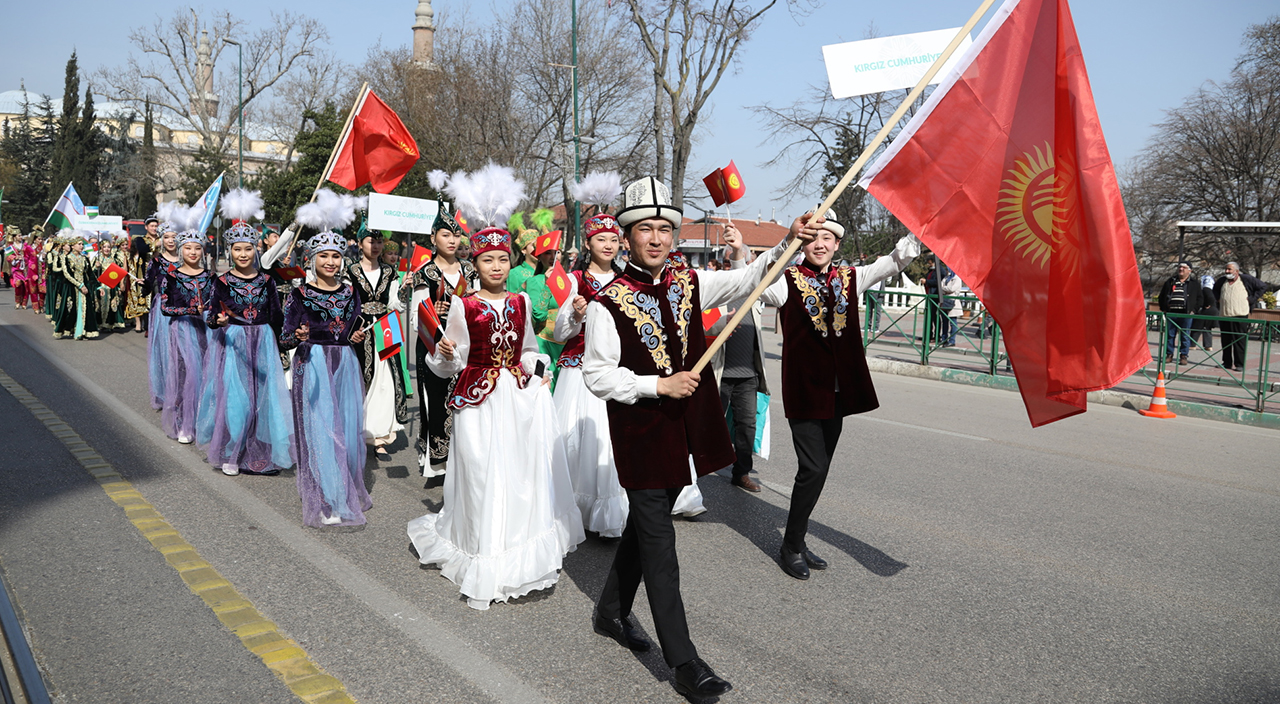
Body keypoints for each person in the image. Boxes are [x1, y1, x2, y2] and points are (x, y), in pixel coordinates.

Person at [583, 176, 813, 699]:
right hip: (640, 434)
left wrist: (789, 242)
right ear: (628, 235)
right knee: (661, 546)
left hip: (678, 432)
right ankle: (686, 664)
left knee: (650, 526)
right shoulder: (607, 302)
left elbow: (748, 281)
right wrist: (655, 384)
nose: (658, 238)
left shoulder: (688, 281)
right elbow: (597, 376)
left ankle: (610, 611)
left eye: (666, 228)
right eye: (647, 229)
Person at [408, 166, 584, 610]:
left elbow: (527, 349)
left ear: (510, 262)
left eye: (503, 259)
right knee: (482, 475)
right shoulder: (463, 306)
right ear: (477, 264)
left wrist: (537, 367)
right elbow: (448, 363)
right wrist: (444, 353)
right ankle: (481, 551)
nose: (497, 266)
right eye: (488, 260)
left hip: (515, 397)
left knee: (516, 474)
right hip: (476, 402)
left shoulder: (523, 301)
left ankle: (512, 548)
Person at [756, 210, 920, 581]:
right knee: (812, 469)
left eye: (827, 237)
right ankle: (790, 546)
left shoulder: (850, 277)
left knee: (820, 469)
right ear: (804, 240)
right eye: (813, 237)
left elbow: (891, 263)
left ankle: (796, 538)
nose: (820, 243)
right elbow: (755, 282)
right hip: (804, 391)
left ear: (837, 243)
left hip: (837, 393)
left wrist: (916, 235)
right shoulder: (788, 281)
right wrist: (741, 254)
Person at [281, 193, 371, 528]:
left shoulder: (350, 293)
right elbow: (285, 336)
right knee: (320, 430)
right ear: (312, 259)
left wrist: (354, 337)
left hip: (344, 363)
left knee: (344, 431)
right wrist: (298, 338)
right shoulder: (300, 294)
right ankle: (323, 497)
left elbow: (348, 331)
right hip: (312, 363)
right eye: (324, 256)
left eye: (336, 255)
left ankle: (342, 489)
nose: (331, 261)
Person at [197, 189, 294, 476]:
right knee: (237, 400)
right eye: (237, 249)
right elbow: (212, 317)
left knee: (264, 399)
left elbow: (277, 316)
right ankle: (232, 451)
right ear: (231, 251)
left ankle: (261, 453)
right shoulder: (222, 281)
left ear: (256, 250)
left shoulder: (267, 281)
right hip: (233, 343)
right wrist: (218, 320)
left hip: (263, 342)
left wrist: (286, 343)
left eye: (248, 249)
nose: (242, 254)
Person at [553, 209, 628, 536]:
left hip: (616, 369)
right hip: (580, 370)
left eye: (614, 239)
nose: (608, 245)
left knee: (611, 442)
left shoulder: (628, 281)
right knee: (575, 439)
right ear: (588, 242)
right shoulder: (574, 280)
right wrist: (575, 314)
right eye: (601, 239)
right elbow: (558, 333)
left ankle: (606, 515)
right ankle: (570, 511)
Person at [403, 202, 475, 479]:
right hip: (434, 348)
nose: (452, 240)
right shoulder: (425, 273)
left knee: (466, 401)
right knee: (435, 402)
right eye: (446, 235)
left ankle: (466, 458)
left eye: (456, 236)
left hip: (466, 346)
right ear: (433, 238)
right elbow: (416, 320)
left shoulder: (470, 271)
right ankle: (440, 462)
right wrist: (434, 311)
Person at [707, 225, 768, 493]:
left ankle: (740, 472)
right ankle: (693, 473)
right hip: (719, 373)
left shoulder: (755, 294)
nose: (749, 267)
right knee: (708, 424)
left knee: (747, 427)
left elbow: (747, 275)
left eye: (750, 261)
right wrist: (723, 323)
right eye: (744, 261)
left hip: (747, 375)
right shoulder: (715, 294)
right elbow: (704, 328)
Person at [346, 224, 408, 461]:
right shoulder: (349, 271)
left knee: (386, 384)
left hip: (385, 329)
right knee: (359, 383)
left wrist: (404, 289)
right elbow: (345, 302)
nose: (376, 246)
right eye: (371, 241)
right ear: (360, 243)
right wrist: (350, 331)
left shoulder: (391, 272)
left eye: (379, 242)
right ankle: (357, 434)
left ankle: (379, 439)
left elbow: (395, 305)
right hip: (359, 331)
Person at [160, 220, 213, 443]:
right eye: (188, 247)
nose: (193, 252)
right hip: (181, 329)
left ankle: (203, 421)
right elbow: (165, 307)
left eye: (197, 247)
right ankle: (184, 421)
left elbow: (216, 303)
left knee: (206, 373)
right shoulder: (171, 277)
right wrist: (191, 309)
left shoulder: (210, 277)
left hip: (205, 331)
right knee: (185, 374)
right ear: (181, 250)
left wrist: (211, 310)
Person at [144, 212, 183, 408]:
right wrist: (144, 283)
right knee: (166, 350)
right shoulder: (156, 262)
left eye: (173, 236)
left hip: (185, 309)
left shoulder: (186, 260)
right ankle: (168, 392)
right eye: (166, 237)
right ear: (161, 239)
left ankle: (183, 390)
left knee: (183, 351)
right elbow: (147, 287)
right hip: (163, 309)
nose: (170, 240)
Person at [1213, 261, 1267, 372]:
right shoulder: (1222, 281)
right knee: (1226, 340)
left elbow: (1262, 287)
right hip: (1225, 315)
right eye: (1226, 269)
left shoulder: (1246, 279)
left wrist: (1252, 299)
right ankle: (1227, 362)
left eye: (1229, 269)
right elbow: (1214, 290)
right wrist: (1218, 299)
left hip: (1240, 315)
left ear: (1236, 271)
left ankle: (1239, 364)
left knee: (1239, 341)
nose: (1227, 271)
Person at [59, 233, 101, 340]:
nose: (81, 246)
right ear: (73, 246)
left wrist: (98, 287)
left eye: (82, 244)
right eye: (79, 244)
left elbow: (90, 274)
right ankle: (71, 329)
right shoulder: (66, 258)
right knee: (71, 309)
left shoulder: (84, 258)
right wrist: (79, 285)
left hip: (85, 286)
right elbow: (67, 274)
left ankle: (83, 331)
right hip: (72, 287)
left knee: (86, 308)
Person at [1157, 262, 1201, 364]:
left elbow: (1200, 298)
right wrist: (1164, 308)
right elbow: (1162, 295)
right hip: (1171, 313)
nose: (1181, 269)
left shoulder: (1194, 283)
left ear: (1190, 270)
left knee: (1185, 335)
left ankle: (1183, 356)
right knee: (1170, 335)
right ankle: (1169, 354)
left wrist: (1194, 310)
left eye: (1184, 267)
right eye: (1180, 267)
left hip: (1186, 314)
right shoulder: (1170, 281)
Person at [125, 219, 156, 332]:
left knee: (154, 301)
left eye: (156, 226)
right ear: (146, 227)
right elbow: (143, 249)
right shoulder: (141, 240)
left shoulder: (163, 238)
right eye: (152, 226)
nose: (154, 228)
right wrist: (155, 245)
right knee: (140, 299)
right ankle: (142, 325)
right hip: (140, 276)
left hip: (158, 274)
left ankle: (153, 325)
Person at [1192, 273, 1218, 354]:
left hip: (1205, 311)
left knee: (1196, 328)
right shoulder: (1213, 289)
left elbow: (1210, 298)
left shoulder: (1206, 289)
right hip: (1213, 311)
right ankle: (1208, 345)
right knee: (1207, 328)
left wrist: (1206, 304)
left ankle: (1192, 344)